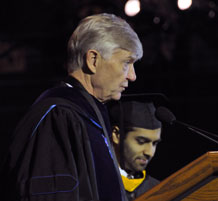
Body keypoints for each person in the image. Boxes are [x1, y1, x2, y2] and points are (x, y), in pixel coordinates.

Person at [1, 13, 143, 201]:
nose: (132, 76)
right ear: (93, 60)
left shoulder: (88, 115)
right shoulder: (58, 118)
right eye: (127, 63)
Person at [108, 100, 162, 201]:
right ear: (116, 135)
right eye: (141, 141)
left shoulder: (159, 189)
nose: (150, 152)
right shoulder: (95, 184)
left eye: (154, 143)